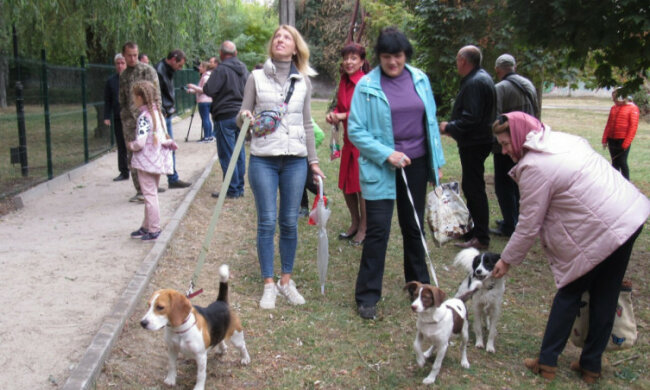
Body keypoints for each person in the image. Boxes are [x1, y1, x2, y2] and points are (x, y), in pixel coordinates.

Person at [490, 112, 649, 384]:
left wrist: (506, 260)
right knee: (605, 294)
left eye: (506, 143)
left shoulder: (535, 168)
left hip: (607, 225)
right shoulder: (561, 139)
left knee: (570, 291)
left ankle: (547, 362)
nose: (504, 151)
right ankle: (591, 367)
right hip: (630, 215)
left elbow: (529, 223)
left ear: (518, 136)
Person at [348, 27, 445, 320]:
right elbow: (355, 130)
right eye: (387, 57)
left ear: (406, 55)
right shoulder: (366, 86)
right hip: (382, 167)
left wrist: (435, 160)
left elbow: (431, 121)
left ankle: (419, 290)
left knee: (413, 228)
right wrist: (385, 153)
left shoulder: (420, 79)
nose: (393, 62)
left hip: (415, 164)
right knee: (378, 231)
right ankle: (367, 297)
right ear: (379, 57)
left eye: (398, 56)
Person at [239, 25, 325, 309]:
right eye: (277, 36)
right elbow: (242, 116)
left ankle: (285, 281)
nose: (280, 40)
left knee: (289, 221)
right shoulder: (255, 78)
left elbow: (307, 126)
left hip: (295, 161)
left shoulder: (303, 82)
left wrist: (313, 162)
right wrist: (245, 116)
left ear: (295, 47)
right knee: (266, 221)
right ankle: (268, 285)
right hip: (263, 158)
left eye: (286, 37)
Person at [439, 45, 495, 250]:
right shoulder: (481, 78)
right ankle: (473, 231)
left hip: (475, 141)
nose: (456, 64)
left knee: (474, 189)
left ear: (463, 60)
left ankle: (480, 236)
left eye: (457, 59)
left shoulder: (475, 82)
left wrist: (449, 127)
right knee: (472, 187)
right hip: (478, 140)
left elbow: (471, 118)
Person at [326, 43, 370, 246]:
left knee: (360, 187)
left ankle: (364, 228)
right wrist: (334, 113)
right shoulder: (344, 81)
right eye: (346, 58)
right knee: (346, 185)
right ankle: (355, 222)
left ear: (362, 61)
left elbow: (368, 114)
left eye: (354, 58)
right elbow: (340, 105)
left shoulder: (365, 82)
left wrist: (343, 115)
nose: (349, 62)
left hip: (362, 143)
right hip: (348, 142)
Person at [491, 53, 539, 237]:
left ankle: (510, 224)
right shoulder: (528, 85)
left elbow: (496, 118)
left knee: (503, 184)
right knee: (519, 183)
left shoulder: (500, 88)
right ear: (514, 67)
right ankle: (516, 219)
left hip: (507, 144)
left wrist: (497, 143)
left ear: (498, 70)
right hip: (528, 141)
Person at [127, 80, 178, 241]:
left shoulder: (144, 117)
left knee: (149, 196)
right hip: (156, 160)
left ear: (141, 98)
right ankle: (146, 226)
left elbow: (140, 141)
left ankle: (154, 229)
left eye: (135, 97)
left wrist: (131, 145)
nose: (134, 100)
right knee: (151, 193)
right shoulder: (158, 115)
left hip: (146, 161)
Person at [204, 41, 250, 199]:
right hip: (242, 115)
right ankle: (239, 187)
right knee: (239, 152)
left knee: (227, 153)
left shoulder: (221, 69)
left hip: (224, 115)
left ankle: (232, 189)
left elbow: (208, 89)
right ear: (236, 53)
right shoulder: (244, 69)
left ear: (221, 54)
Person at [119, 42, 162, 202]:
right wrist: (124, 115)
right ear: (123, 55)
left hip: (147, 119)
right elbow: (122, 98)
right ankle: (140, 190)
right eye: (129, 55)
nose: (132, 58)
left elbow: (156, 95)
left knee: (149, 152)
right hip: (130, 122)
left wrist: (156, 117)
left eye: (135, 55)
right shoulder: (123, 75)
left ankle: (150, 189)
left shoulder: (147, 71)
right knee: (133, 155)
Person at [155, 49, 191, 189]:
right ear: (173, 59)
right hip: (162, 114)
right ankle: (158, 181)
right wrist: (163, 110)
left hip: (166, 112)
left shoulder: (168, 70)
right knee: (160, 148)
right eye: (180, 65)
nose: (180, 69)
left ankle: (172, 178)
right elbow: (157, 93)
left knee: (169, 147)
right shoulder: (159, 70)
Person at [602, 88, 639, 180]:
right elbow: (609, 124)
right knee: (614, 162)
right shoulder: (613, 108)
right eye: (613, 99)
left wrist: (626, 143)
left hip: (622, 139)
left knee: (622, 162)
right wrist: (604, 139)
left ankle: (626, 182)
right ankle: (615, 183)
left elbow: (633, 127)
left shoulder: (632, 108)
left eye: (616, 99)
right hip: (612, 139)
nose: (615, 101)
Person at [104, 53, 128, 181]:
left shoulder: (131, 78)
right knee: (121, 144)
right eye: (118, 63)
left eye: (122, 63)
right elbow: (107, 100)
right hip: (118, 117)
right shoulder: (111, 81)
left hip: (131, 117)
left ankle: (138, 170)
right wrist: (106, 116)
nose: (120, 66)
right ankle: (124, 171)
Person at [186, 61, 215, 142]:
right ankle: (209, 136)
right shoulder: (208, 76)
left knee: (205, 119)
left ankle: (207, 137)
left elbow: (203, 90)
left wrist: (193, 86)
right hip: (208, 100)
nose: (199, 68)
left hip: (203, 100)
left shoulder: (205, 78)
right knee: (207, 119)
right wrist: (191, 90)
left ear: (205, 68)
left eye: (201, 67)